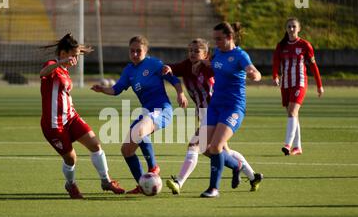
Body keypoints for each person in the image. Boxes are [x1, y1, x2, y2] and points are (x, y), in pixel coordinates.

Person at [163, 38, 263, 195]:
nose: (193, 54)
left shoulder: (211, 67)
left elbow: (223, 72)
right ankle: (251, 175)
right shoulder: (186, 65)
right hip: (204, 112)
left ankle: (179, 182)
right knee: (218, 150)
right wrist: (168, 69)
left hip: (217, 110)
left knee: (196, 145)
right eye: (190, 50)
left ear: (206, 54)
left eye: (197, 51)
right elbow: (172, 69)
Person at [91, 35, 188, 194]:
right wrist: (102, 89)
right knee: (126, 150)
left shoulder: (154, 64)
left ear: (146, 51)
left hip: (161, 110)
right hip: (147, 112)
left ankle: (153, 167)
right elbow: (116, 89)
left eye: (138, 51)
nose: (135, 54)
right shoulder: (129, 70)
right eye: (132, 51)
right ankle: (143, 185)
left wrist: (180, 94)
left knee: (139, 130)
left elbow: (173, 79)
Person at [40, 33, 124, 199]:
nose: (75, 60)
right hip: (53, 124)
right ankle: (70, 185)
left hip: (71, 118)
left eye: (77, 56)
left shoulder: (65, 70)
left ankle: (106, 181)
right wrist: (61, 62)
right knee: (71, 159)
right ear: (63, 54)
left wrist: (78, 51)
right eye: (73, 56)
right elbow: (43, 72)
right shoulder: (53, 66)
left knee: (95, 145)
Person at [200, 22, 262, 198]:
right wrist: (203, 64)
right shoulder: (218, 53)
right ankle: (237, 166)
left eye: (219, 39)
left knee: (216, 146)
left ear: (230, 37)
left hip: (233, 107)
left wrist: (254, 75)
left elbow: (253, 71)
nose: (216, 42)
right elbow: (216, 68)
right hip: (215, 106)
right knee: (204, 147)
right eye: (215, 39)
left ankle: (213, 189)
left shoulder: (240, 55)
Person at [272, 17, 324, 156]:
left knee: (292, 112)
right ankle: (297, 147)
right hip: (286, 83)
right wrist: (275, 76)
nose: (291, 29)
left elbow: (313, 66)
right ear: (286, 29)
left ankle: (287, 144)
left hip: (299, 82)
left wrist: (319, 85)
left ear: (299, 29)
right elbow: (276, 62)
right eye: (289, 26)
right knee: (293, 114)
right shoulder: (281, 45)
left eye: (294, 26)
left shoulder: (305, 45)